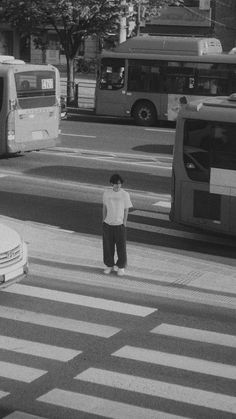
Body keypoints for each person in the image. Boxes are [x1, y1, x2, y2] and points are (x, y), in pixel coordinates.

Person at [102, 173, 133, 276]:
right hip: (108, 224)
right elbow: (104, 207)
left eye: (119, 184)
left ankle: (121, 267)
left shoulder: (125, 194)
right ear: (112, 183)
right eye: (116, 184)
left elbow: (126, 209)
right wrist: (104, 219)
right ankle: (109, 265)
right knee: (107, 246)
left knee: (121, 247)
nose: (118, 186)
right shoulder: (107, 193)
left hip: (120, 225)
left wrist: (124, 222)